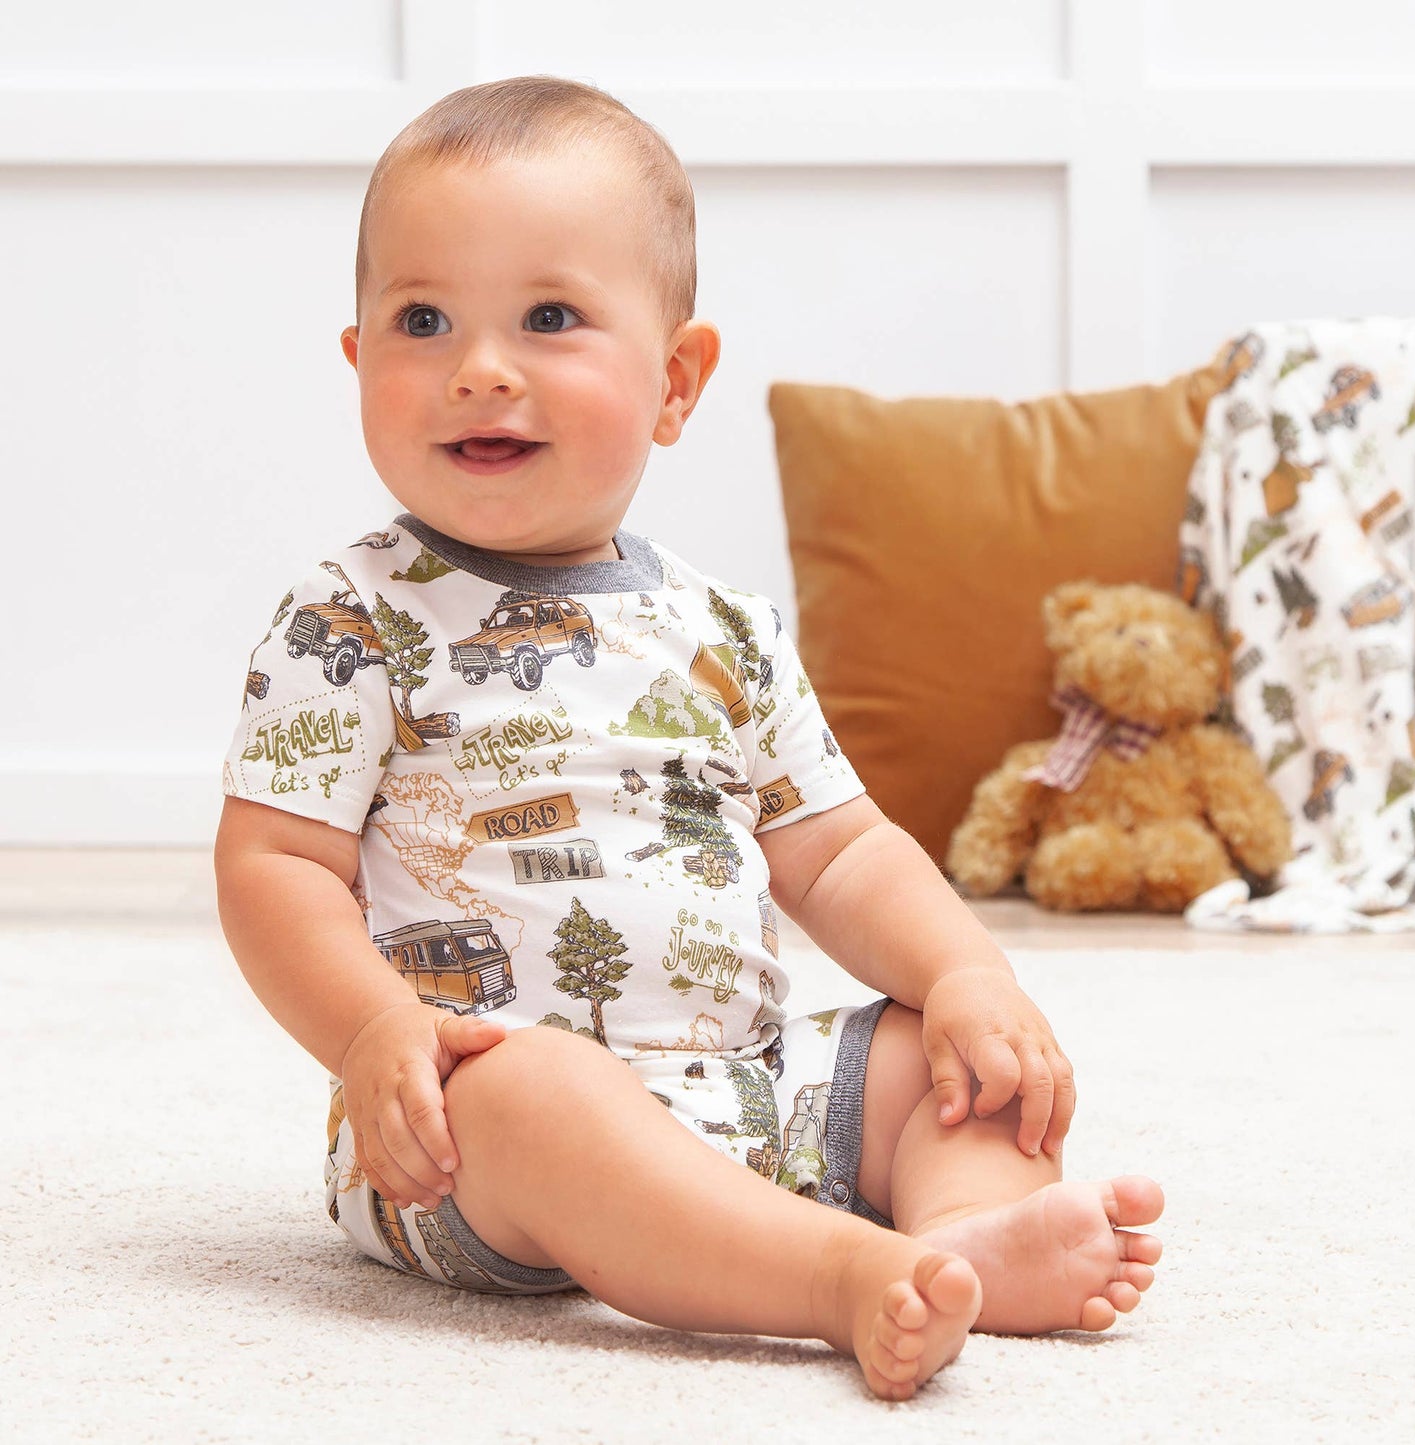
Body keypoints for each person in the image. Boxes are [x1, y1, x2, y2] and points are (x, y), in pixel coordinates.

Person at [214, 75, 1163, 1402]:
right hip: (466, 1127)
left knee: (935, 1062)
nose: (479, 364)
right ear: (361, 360)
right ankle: (832, 1275)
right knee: (539, 1092)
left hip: (745, 1090)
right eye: (422, 320)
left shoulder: (718, 625)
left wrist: (964, 977)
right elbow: (274, 866)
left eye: (548, 317)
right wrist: (379, 1032)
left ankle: (954, 1244)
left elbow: (835, 855)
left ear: (673, 380)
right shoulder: (350, 619)